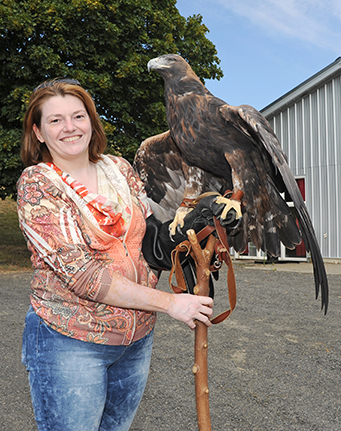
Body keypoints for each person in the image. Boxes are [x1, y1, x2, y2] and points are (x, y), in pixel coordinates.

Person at [17, 79, 237, 431]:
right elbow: (83, 276)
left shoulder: (119, 169)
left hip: (136, 340)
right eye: (55, 120)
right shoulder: (37, 185)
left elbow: (150, 243)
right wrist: (170, 303)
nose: (70, 127)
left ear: (91, 121)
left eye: (78, 116)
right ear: (39, 132)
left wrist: (198, 230)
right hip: (70, 342)